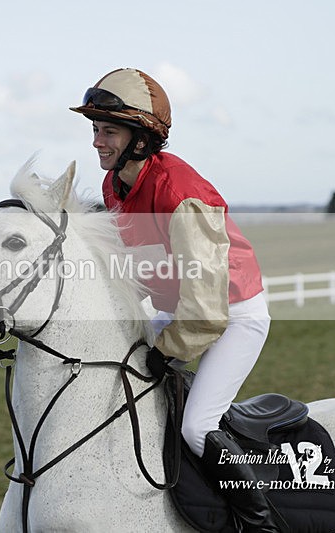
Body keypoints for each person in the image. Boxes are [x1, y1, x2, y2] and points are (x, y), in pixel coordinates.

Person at [70, 68, 279, 532]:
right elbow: (142, 265)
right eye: (94, 130)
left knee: (196, 427)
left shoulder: (181, 194)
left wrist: (167, 351)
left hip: (232, 313)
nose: (97, 142)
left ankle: (258, 520)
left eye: (108, 131)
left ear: (141, 138)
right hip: (178, 305)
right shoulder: (115, 184)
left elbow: (206, 309)